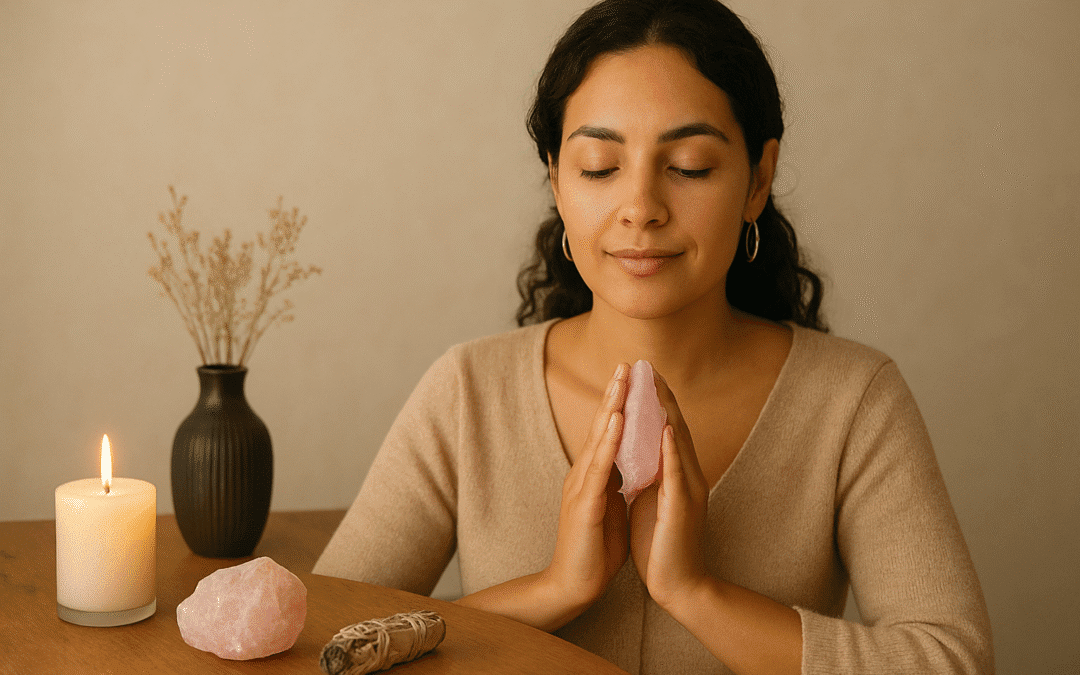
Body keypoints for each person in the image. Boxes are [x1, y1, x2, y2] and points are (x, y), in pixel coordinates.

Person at [314, 0, 994, 673]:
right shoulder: (468, 390)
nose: (641, 208)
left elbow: (953, 660)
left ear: (758, 179)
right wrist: (553, 590)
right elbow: (322, 643)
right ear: (556, 179)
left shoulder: (854, 399)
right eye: (599, 167)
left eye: (690, 166)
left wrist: (695, 592)